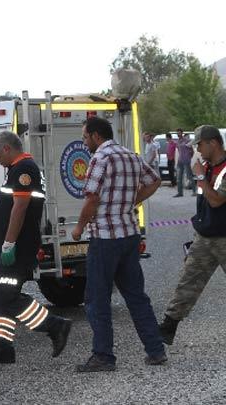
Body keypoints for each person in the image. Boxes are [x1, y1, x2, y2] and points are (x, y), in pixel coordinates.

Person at [72, 117, 165, 372]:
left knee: (96, 299)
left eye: (85, 137)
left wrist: (80, 227)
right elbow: (154, 180)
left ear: (96, 136)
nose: (84, 142)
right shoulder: (131, 155)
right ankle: (156, 351)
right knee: (136, 296)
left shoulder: (100, 159)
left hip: (104, 238)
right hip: (130, 235)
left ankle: (103, 356)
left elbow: (92, 199)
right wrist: (132, 201)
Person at [0, 131, 72, 364]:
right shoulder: (17, 169)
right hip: (11, 246)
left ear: (7, 148)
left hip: (17, 249)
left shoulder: (24, 169)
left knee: (7, 296)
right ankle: (2, 349)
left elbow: (19, 209)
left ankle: (55, 326)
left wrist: (9, 244)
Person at [159, 125, 226, 345]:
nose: (197, 148)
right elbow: (204, 203)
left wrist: (199, 175)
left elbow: (216, 200)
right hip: (205, 236)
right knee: (188, 281)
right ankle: (168, 327)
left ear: (213, 143)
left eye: (199, 144)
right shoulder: (206, 168)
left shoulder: (217, 170)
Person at [175, 128, 196, 197]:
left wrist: (189, 157)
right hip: (180, 161)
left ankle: (194, 191)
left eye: (179, 133)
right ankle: (180, 193)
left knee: (189, 176)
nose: (178, 134)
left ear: (182, 133)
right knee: (179, 178)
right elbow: (179, 150)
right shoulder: (177, 141)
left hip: (186, 161)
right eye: (177, 133)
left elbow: (192, 151)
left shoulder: (187, 140)